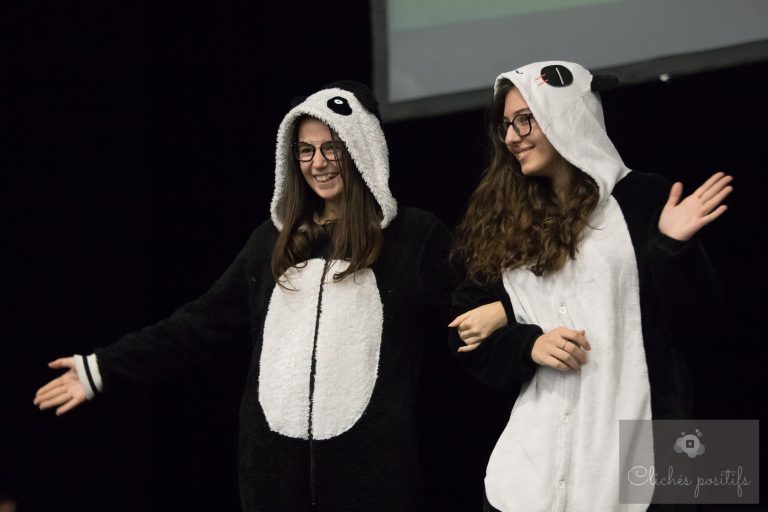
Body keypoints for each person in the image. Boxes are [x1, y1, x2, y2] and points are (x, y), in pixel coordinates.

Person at [33, 81, 458, 511]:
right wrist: (104, 366)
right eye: (306, 150)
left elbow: (473, 301)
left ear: (361, 146)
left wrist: (497, 318)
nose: (319, 163)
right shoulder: (271, 242)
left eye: (332, 147)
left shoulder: (411, 237)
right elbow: (201, 322)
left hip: (374, 485)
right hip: (273, 486)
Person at [448, 61, 731, 511]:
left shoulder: (643, 197)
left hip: (643, 456)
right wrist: (527, 342)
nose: (512, 137)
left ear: (567, 113)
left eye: (526, 119)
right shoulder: (504, 217)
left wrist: (672, 249)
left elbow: (701, 326)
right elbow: (464, 333)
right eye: (506, 125)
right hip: (532, 468)